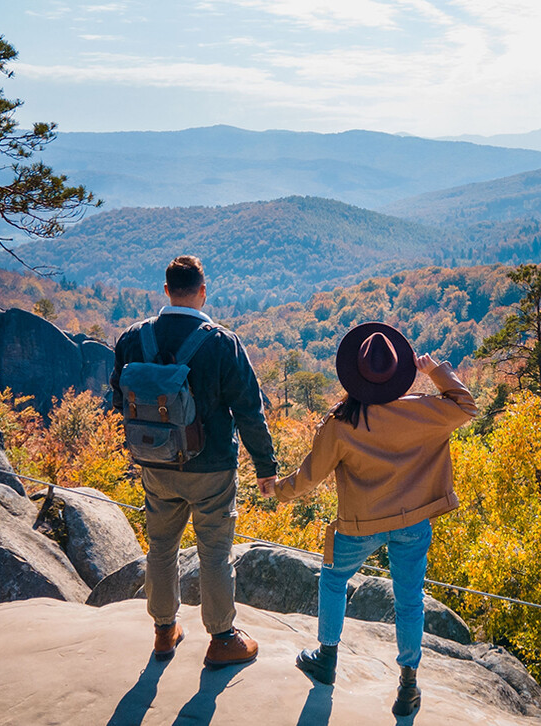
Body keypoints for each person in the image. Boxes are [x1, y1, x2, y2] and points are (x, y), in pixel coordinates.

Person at [261, 321, 478, 716]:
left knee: (333, 578)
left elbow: (310, 476)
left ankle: (326, 658)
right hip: (412, 523)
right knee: (409, 600)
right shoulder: (425, 412)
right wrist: (435, 371)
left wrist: (278, 490)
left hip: (360, 526)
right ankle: (408, 685)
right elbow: (467, 405)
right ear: (398, 372)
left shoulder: (342, 422)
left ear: (354, 374)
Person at [111, 255, 277, 667]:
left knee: (162, 547)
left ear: (166, 290)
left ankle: (164, 632)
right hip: (212, 468)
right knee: (215, 552)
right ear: (203, 291)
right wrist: (266, 468)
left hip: (155, 465)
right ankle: (222, 639)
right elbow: (249, 412)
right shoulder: (222, 342)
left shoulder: (133, 338)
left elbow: (119, 400)